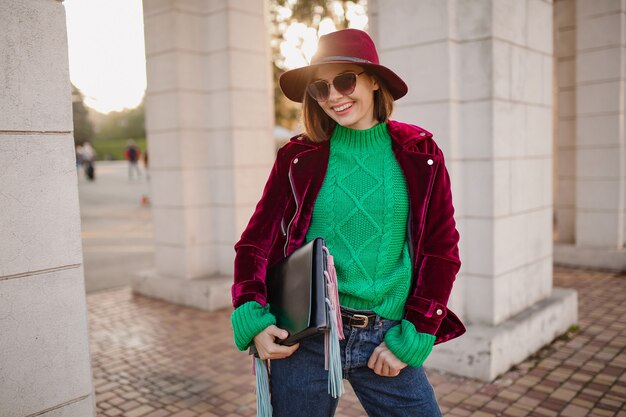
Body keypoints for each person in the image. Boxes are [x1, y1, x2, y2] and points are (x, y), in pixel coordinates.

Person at [230, 29, 464, 417]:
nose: (334, 96)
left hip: (386, 335)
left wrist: (417, 334)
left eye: (344, 80)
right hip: (306, 337)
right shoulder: (297, 157)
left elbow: (442, 252)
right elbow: (255, 242)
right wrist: (251, 315)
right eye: (321, 88)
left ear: (374, 80)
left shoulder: (419, 152)